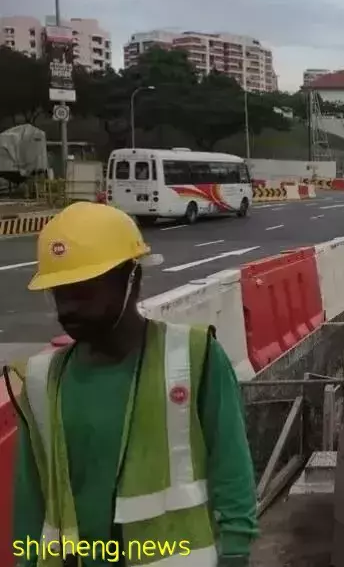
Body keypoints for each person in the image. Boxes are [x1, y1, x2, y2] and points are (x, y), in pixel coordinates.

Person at [9, 202, 258, 567]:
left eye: (83, 290)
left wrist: (235, 552)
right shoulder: (40, 381)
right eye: (59, 293)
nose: (68, 308)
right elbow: (31, 502)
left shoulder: (193, 356)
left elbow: (231, 466)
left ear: (132, 280)